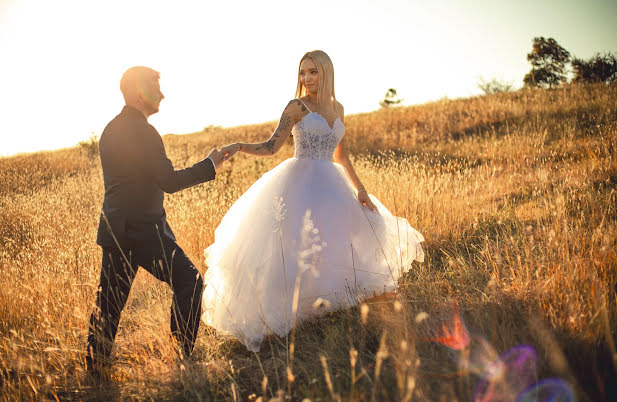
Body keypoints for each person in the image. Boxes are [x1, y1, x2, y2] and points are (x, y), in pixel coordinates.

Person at [201, 50, 425, 352]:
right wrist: (239, 146)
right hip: (299, 182)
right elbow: (271, 147)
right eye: (302, 73)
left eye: (312, 72)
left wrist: (360, 189)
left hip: (332, 186)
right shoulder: (297, 106)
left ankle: (325, 314)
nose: (306, 79)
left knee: (336, 245)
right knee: (292, 250)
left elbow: (341, 155)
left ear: (325, 73)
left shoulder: (338, 108)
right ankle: (290, 317)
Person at [86, 66, 228, 376]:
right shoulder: (143, 131)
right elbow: (168, 181)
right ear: (140, 92)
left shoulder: (111, 129)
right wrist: (210, 165)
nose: (162, 94)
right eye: (155, 87)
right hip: (144, 233)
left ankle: (94, 372)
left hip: (115, 230)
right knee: (191, 283)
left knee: (108, 306)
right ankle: (180, 358)